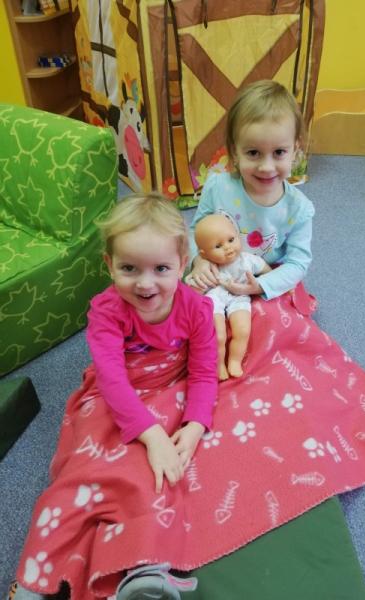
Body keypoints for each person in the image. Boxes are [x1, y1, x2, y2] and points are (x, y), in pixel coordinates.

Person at [11, 193, 217, 600]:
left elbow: (204, 372)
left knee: (159, 473)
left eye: (161, 268)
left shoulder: (197, 309)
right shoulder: (106, 311)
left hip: (169, 389)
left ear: (183, 263)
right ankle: (35, 578)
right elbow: (111, 379)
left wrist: (194, 426)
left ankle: (144, 566)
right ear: (109, 265)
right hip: (114, 395)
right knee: (83, 471)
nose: (145, 283)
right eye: (129, 268)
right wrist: (150, 434)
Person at [186, 79, 315, 304]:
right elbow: (196, 231)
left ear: (295, 150)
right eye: (253, 153)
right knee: (178, 302)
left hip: (264, 277)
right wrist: (199, 260)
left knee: (278, 320)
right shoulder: (218, 187)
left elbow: (298, 263)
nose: (266, 167)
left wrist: (261, 286)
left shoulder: (299, 208)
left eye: (279, 152)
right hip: (217, 271)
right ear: (235, 152)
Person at [187, 213, 271, 380]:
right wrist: (197, 285)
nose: (227, 247)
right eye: (218, 246)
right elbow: (192, 292)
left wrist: (263, 283)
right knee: (218, 335)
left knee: (243, 330)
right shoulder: (207, 267)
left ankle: (234, 361)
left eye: (231, 240)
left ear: (238, 236)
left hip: (240, 296)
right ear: (203, 254)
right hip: (214, 297)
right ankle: (219, 365)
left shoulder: (248, 260)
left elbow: (268, 272)